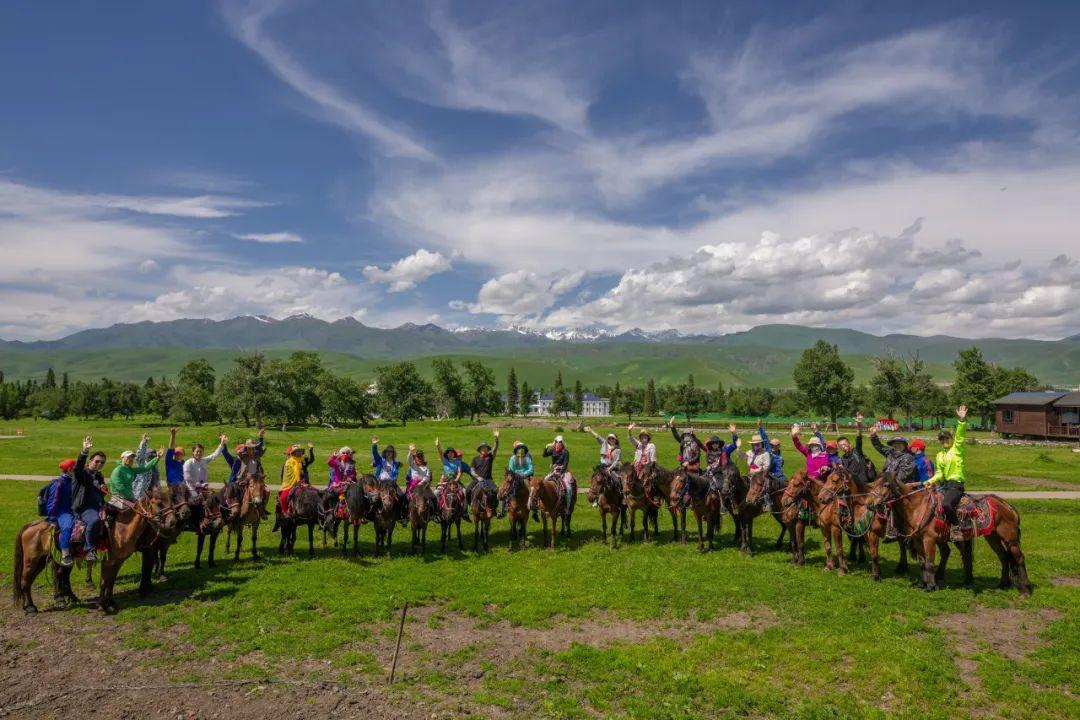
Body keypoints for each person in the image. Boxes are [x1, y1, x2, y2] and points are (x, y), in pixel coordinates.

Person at [927, 405, 969, 539]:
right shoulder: (939, 455)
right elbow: (939, 473)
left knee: (946, 504)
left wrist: (961, 421)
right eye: (941, 439)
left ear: (951, 439)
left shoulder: (957, 449)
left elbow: (960, 436)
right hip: (944, 486)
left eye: (946, 438)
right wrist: (929, 481)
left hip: (956, 485)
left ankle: (956, 528)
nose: (944, 441)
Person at [73, 436, 108, 561]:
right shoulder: (82, 473)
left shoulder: (98, 476)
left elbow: (100, 494)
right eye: (97, 461)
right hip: (84, 507)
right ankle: (90, 550)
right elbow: (77, 468)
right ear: (90, 461)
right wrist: (85, 451)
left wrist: (103, 506)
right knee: (94, 521)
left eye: (102, 463)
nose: (99, 464)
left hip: (98, 506)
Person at [47, 459, 78, 566]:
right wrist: (52, 519)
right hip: (63, 512)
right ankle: (65, 555)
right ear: (69, 470)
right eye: (75, 468)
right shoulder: (58, 483)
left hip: (75, 511)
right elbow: (52, 502)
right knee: (68, 527)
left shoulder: (74, 481)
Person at [585, 426, 623, 508]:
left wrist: (610, 469)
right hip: (602, 466)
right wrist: (591, 430)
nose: (611, 440)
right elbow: (597, 436)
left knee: (617, 480)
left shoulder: (618, 450)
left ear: (615, 440)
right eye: (609, 438)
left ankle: (621, 496)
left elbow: (617, 461)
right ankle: (596, 498)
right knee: (596, 479)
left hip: (612, 467)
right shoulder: (604, 443)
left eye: (613, 438)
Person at [372, 437, 407, 525]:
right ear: (385, 453)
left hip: (391, 484)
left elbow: (399, 467)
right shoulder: (380, 461)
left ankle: (400, 515)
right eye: (387, 451)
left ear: (393, 453)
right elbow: (375, 454)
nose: (389, 453)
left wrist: (400, 464)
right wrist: (374, 445)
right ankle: (370, 514)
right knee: (373, 497)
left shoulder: (395, 463)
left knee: (401, 495)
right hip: (381, 483)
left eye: (391, 452)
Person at [434, 438, 471, 520]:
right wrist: (437, 446)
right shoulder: (445, 461)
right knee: (436, 492)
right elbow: (440, 453)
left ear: (454, 454)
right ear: (447, 454)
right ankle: (436, 512)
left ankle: (465, 512)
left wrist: (456, 480)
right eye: (449, 453)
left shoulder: (458, 462)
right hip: (445, 481)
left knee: (465, 492)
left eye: (452, 453)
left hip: (455, 481)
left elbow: (459, 472)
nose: (450, 454)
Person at [466, 430, 500, 516]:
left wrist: (496, 439)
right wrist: (477, 477)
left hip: (488, 479)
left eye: (486, 448)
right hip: (477, 480)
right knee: (467, 490)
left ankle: (494, 508)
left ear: (487, 449)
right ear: (480, 450)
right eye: (483, 448)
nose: (484, 449)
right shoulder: (475, 459)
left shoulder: (490, 457)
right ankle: (470, 507)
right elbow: (472, 470)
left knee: (496, 491)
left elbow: (495, 449)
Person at [182, 434, 227, 498]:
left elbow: (214, 455)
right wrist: (200, 485)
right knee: (197, 499)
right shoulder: (188, 463)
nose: (199, 453)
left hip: (203, 489)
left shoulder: (204, 461)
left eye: (200, 451)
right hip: (191, 490)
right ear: (193, 452)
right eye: (197, 451)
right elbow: (188, 480)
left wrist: (222, 443)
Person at [627, 425, 659, 507]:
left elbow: (653, 459)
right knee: (626, 476)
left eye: (645, 437)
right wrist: (629, 431)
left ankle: (655, 497)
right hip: (637, 466)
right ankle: (625, 496)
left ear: (648, 438)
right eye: (642, 437)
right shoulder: (638, 444)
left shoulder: (651, 446)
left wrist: (647, 466)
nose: (643, 438)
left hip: (648, 466)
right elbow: (631, 439)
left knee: (654, 479)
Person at [541, 435, 572, 520]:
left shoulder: (565, 452)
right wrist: (546, 446)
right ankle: (542, 505)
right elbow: (544, 455)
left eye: (560, 443)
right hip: (554, 471)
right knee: (544, 483)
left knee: (568, 488)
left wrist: (560, 473)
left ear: (562, 443)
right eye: (556, 442)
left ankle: (567, 508)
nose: (558, 444)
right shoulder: (553, 450)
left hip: (563, 471)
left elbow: (565, 464)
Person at [836, 414, 870, 487]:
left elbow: (858, 438)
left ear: (849, 444)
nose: (843, 446)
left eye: (844, 444)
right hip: (851, 485)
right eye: (841, 445)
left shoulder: (857, 452)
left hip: (862, 484)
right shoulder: (843, 458)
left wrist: (859, 426)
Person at [745, 432, 774, 509]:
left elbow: (766, 467)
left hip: (761, 475)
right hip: (750, 474)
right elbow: (742, 456)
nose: (756, 446)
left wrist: (756, 471)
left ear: (761, 444)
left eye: (758, 444)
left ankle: (767, 502)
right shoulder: (750, 452)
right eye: (754, 444)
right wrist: (737, 449)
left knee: (764, 487)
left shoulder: (765, 454)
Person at [278, 444, 308, 517]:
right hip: (290, 484)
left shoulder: (301, 460)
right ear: (293, 453)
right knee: (283, 498)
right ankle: (285, 512)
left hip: (302, 482)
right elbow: (296, 471)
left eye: (300, 451)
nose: (299, 453)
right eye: (298, 451)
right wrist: (298, 481)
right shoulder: (290, 461)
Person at [506, 441, 534, 517]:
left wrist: (524, 474)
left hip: (525, 477)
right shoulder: (512, 458)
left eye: (522, 448)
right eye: (519, 448)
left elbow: (531, 469)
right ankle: (504, 508)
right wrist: (515, 475)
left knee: (531, 490)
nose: (520, 450)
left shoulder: (527, 458)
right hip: (515, 477)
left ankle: (534, 510)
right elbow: (511, 469)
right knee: (507, 488)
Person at [758, 422, 786, 490]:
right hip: (770, 474)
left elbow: (780, 465)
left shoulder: (779, 453)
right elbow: (765, 438)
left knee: (785, 485)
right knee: (767, 487)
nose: (772, 446)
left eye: (774, 445)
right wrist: (760, 428)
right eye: (771, 445)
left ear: (778, 446)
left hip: (779, 475)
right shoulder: (769, 450)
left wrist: (781, 465)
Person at [131, 433, 160, 499]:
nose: (151, 457)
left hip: (152, 494)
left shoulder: (155, 466)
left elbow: (157, 480)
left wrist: (158, 491)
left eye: (153, 456)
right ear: (146, 456)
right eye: (150, 456)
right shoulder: (142, 463)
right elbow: (139, 455)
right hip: (139, 493)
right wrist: (144, 442)